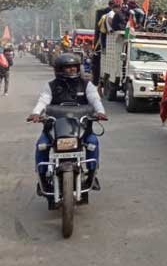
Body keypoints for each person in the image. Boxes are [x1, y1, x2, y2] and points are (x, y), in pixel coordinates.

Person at [27, 54, 108, 209]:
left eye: (74, 67)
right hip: (54, 128)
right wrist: (36, 113)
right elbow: (43, 100)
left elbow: (95, 99)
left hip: (81, 129)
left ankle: (92, 174)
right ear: (59, 69)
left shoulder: (86, 85)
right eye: (67, 67)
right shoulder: (51, 86)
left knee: (93, 143)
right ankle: (42, 178)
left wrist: (100, 112)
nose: (72, 69)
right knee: (41, 145)